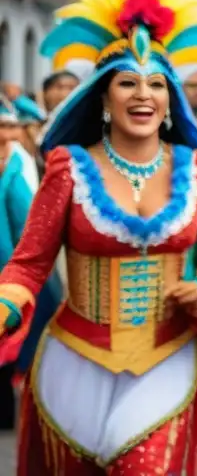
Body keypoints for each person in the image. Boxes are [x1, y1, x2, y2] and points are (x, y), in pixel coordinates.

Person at [0, 0, 197, 474]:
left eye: (157, 84)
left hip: (170, 355)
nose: (143, 94)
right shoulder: (67, 169)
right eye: (127, 82)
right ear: (103, 96)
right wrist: (7, 301)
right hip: (74, 360)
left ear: (168, 102)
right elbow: (28, 265)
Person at [0, 96, 58, 431]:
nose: (9, 133)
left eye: (12, 126)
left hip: (12, 266)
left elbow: (27, 221)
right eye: (4, 126)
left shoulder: (17, 163)